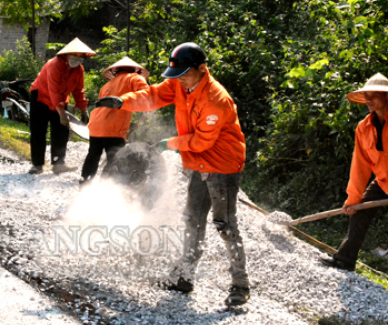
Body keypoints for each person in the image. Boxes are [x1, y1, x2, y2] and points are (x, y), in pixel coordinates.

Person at [96, 42, 249, 306]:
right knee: (192, 220)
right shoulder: (180, 84)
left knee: (224, 224)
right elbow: (153, 96)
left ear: (202, 69)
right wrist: (124, 102)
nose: (179, 80)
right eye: (176, 75)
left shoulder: (215, 99)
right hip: (199, 163)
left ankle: (240, 285)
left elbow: (202, 142)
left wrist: (170, 143)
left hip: (221, 166)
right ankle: (185, 277)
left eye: (184, 74)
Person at [319, 73, 388, 290]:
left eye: (374, 95)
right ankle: (344, 260)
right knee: (359, 212)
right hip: (384, 180)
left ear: (387, 96)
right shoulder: (363, 127)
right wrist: (353, 198)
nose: (369, 100)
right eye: (366, 96)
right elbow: (360, 165)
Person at [28, 38, 96, 175]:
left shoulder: (79, 70)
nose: (78, 60)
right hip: (41, 96)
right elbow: (53, 90)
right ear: (67, 54)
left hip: (60, 99)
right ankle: (37, 165)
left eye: (81, 58)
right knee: (38, 131)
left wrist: (84, 110)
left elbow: (78, 90)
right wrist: (62, 114)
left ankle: (58, 164)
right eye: (75, 56)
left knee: (61, 131)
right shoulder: (54, 65)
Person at [80, 57, 150, 186]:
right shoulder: (133, 77)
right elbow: (146, 93)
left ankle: (84, 185)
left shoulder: (107, 85)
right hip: (114, 127)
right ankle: (107, 189)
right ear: (134, 70)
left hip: (96, 125)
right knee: (116, 159)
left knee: (93, 155)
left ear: (116, 71)